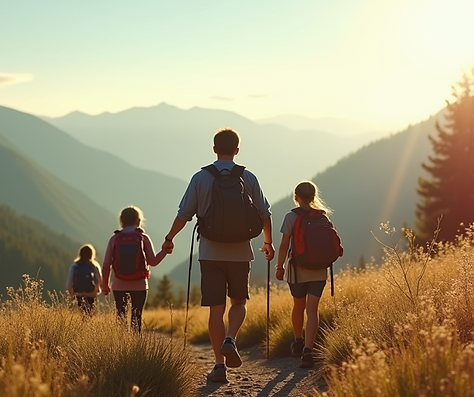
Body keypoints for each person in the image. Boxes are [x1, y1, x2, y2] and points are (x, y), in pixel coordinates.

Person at [162, 128, 275, 383]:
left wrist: (169, 239)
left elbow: (183, 215)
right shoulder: (248, 177)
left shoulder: (200, 178)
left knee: (216, 309)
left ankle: (218, 366)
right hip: (241, 252)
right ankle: (231, 338)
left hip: (210, 254)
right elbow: (265, 214)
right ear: (237, 150)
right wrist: (268, 243)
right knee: (239, 303)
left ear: (214, 149)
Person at [275, 181, 332, 369]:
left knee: (298, 306)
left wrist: (279, 266)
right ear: (314, 196)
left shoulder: (291, 217)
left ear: (296, 197)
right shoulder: (323, 217)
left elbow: (284, 244)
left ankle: (298, 341)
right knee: (312, 310)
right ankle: (308, 351)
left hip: (297, 271)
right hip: (319, 270)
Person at [101, 206, 168, 332]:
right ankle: (135, 348)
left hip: (119, 284)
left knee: (121, 316)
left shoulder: (115, 239)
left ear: (121, 221)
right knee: (136, 317)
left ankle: (121, 347)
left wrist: (105, 285)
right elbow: (153, 262)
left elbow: (106, 265)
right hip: (140, 284)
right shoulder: (143, 238)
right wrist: (164, 251)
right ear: (138, 221)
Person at [67, 244, 102, 315]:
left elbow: (69, 283)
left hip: (78, 293)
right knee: (90, 315)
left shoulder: (74, 266)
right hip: (91, 294)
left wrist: (72, 294)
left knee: (81, 314)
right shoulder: (94, 266)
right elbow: (99, 281)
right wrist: (97, 290)